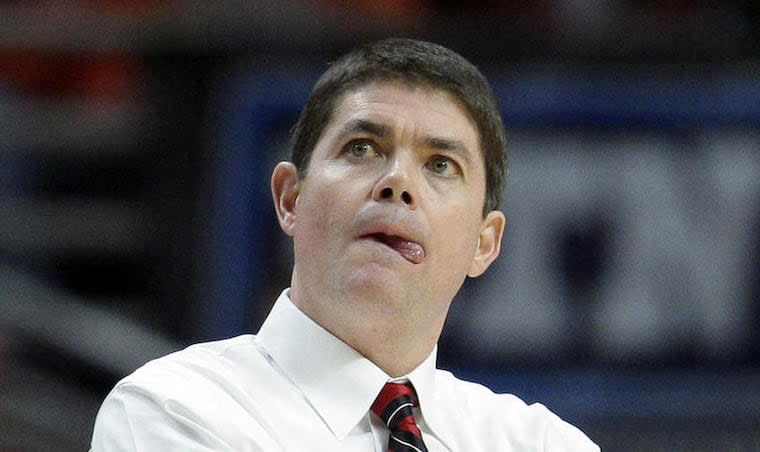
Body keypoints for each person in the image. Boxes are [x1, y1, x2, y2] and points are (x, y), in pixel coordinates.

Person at [90, 38, 599, 451]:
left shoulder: (543, 442)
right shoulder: (175, 412)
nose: (397, 182)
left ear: (484, 244)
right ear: (290, 199)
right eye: (363, 148)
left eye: (440, 164)